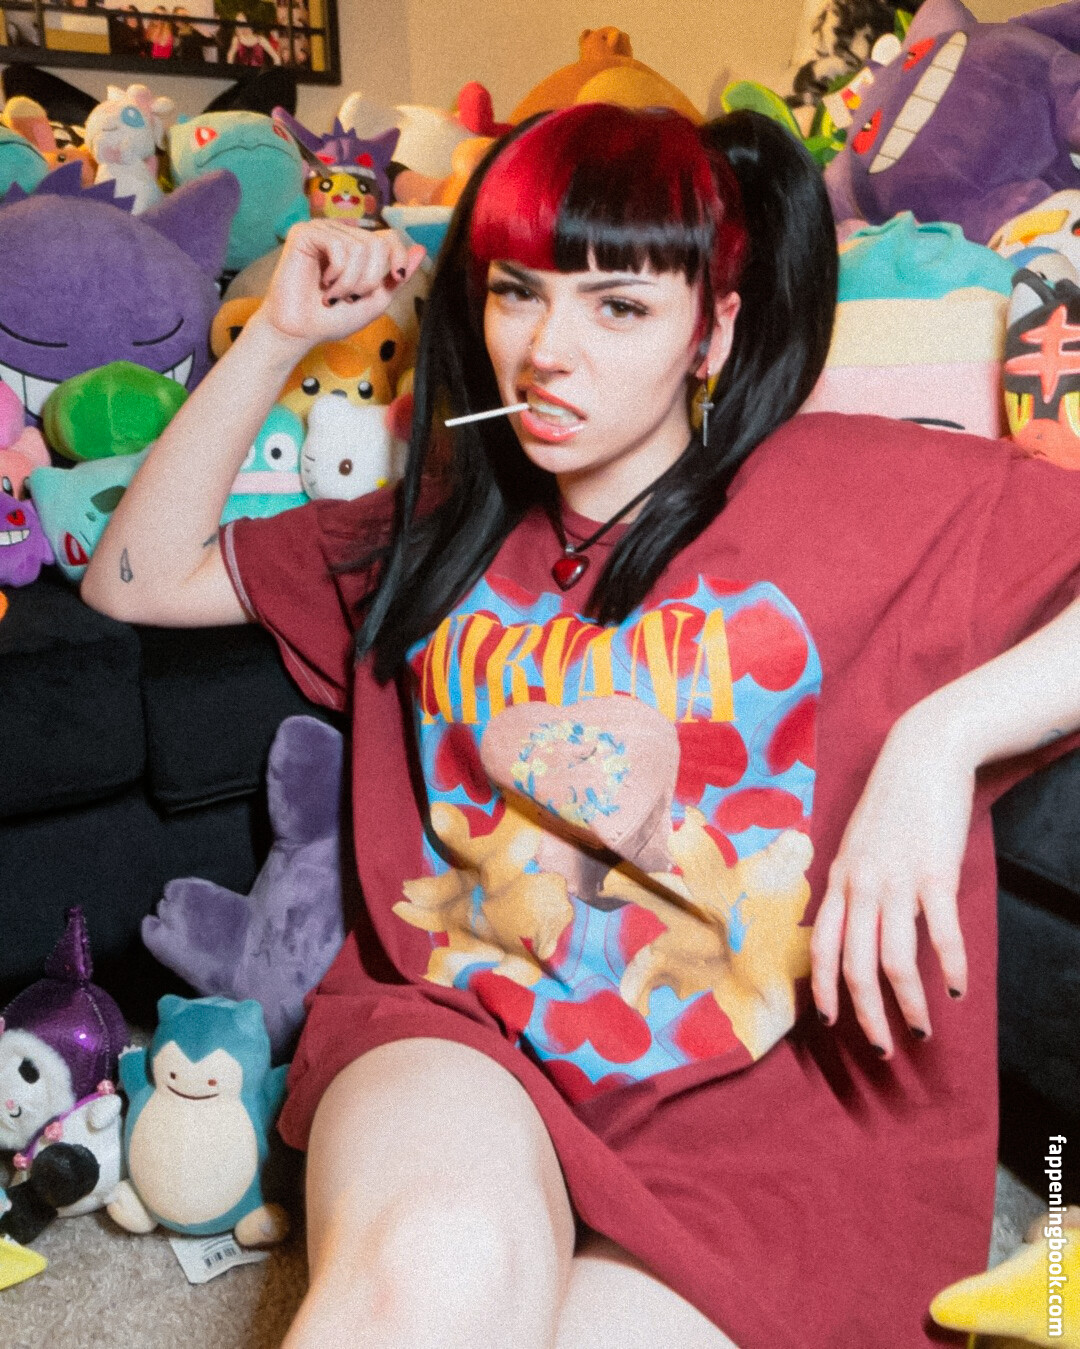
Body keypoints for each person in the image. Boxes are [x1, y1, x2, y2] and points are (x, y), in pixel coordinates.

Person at [81, 105, 1080, 1348]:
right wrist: (280, 332)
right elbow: (131, 573)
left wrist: (943, 741)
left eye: (619, 306)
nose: (548, 352)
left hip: (775, 1108)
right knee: (434, 1267)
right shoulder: (436, 523)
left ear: (715, 328)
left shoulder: (859, 488)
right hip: (467, 1029)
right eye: (519, 292)